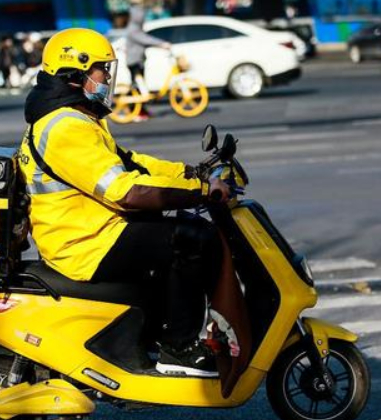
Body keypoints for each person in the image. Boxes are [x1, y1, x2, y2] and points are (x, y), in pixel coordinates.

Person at [19, 28, 230, 378]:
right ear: (75, 74)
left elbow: (132, 162)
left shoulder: (76, 117)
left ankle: (158, 337)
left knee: (176, 233)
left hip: (96, 230)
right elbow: (125, 191)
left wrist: (193, 173)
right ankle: (179, 348)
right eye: (102, 70)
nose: (107, 78)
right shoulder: (65, 128)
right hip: (83, 244)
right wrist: (202, 192)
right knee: (192, 237)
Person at [125, 6, 171, 120]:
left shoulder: (136, 28)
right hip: (134, 62)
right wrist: (161, 44)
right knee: (137, 89)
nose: (143, 18)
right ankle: (135, 112)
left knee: (140, 88)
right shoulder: (133, 29)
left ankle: (141, 110)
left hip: (138, 61)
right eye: (141, 17)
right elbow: (145, 39)